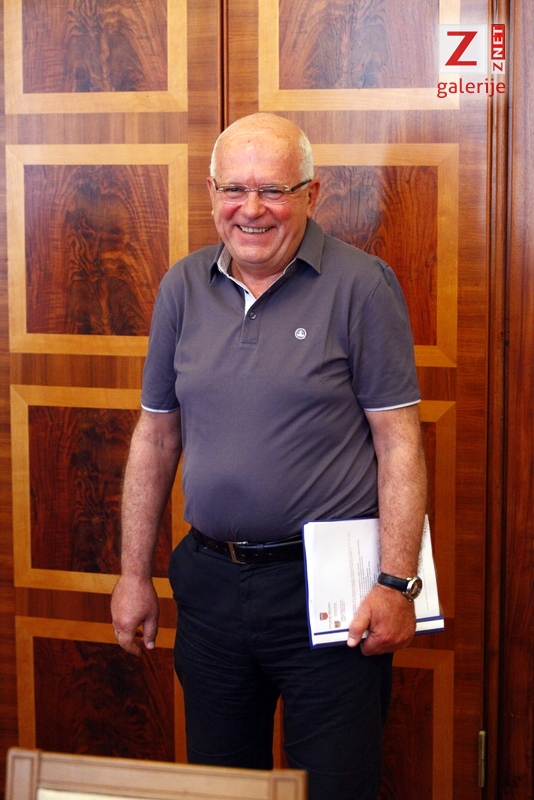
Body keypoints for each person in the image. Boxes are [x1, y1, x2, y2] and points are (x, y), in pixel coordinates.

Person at [111, 112, 427, 800]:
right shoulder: (181, 287)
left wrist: (397, 583)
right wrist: (134, 575)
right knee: (223, 788)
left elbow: (399, 440)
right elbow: (155, 437)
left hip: (332, 593)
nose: (250, 209)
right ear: (211, 192)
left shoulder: (363, 285)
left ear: (311, 194)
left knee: (335, 788)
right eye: (234, 189)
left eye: (273, 190)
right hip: (210, 587)